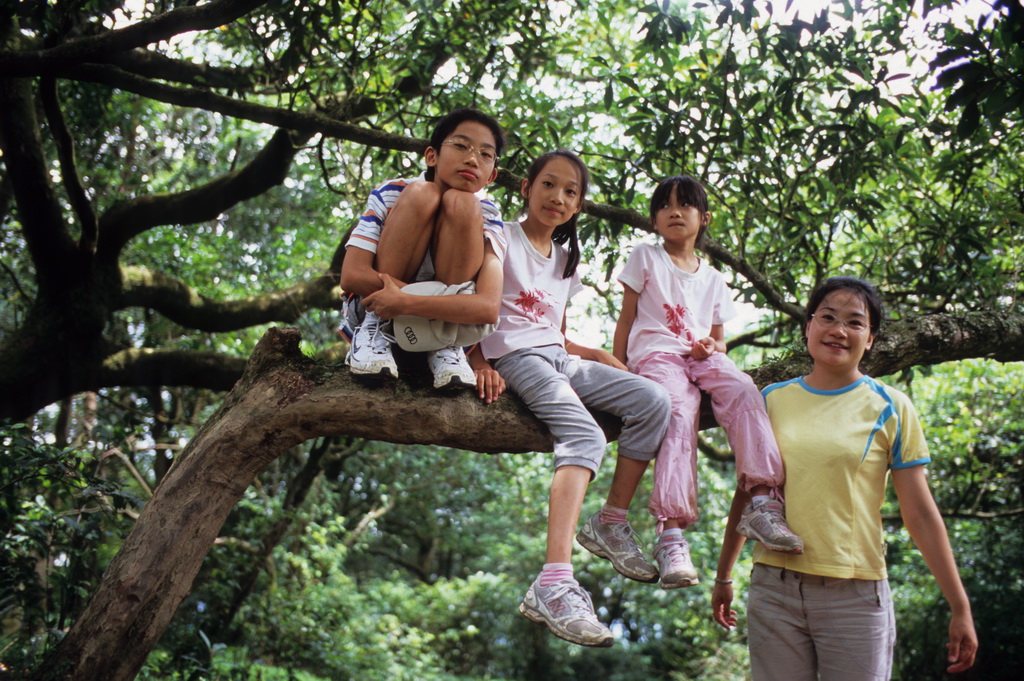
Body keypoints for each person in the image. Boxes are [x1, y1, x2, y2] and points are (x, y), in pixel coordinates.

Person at [711, 276, 978, 680]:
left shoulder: (891, 406)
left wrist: (960, 606)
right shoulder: (769, 400)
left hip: (854, 593)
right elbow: (749, 493)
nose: (838, 330)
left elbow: (920, 514)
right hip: (774, 588)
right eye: (828, 317)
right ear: (808, 327)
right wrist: (724, 574)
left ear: (870, 339)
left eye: (855, 322)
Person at [468, 150, 671, 648]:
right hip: (515, 358)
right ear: (526, 188)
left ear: (579, 205)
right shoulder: (500, 238)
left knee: (655, 401)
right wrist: (475, 361)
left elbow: (554, 334)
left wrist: (598, 351)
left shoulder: (564, 261)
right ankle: (554, 582)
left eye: (570, 191)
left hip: (558, 359)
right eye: (549, 185)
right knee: (583, 433)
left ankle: (610, 523)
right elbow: (473, 305)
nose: (558, 197)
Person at [577, 176, 803, 591]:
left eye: (685, 206)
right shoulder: (646, 257)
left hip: (702, 357)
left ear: (704, 218)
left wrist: (708, 345)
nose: (675, 212)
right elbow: (626, 319)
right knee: (679, 411)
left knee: (743, 390)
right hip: (656, 358)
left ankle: (763, 501)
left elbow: (719, 339)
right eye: (664, 206)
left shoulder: (714, 278)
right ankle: (671, 534)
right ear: (654, 219)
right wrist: (621, 369)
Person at [339, 108, 506, 389]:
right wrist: (445, 306)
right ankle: (374, 330)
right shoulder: (394, 191)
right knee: (422, 193)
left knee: (463, 203)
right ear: (432, 156)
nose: (472, 158)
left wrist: (406, 302)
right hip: (378, 315)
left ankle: (444, 347)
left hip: (446, 336)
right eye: (461, 145)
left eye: (485, 154)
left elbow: (488, 308)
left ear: (492, 175)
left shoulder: (489, 215)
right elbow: (353, 276)